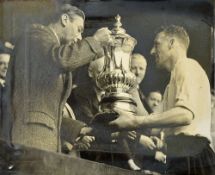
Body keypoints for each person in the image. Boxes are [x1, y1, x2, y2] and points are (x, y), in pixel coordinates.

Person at [3, 4, 112, 153]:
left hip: (40, 137)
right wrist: (95, 41)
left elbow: (48, 113)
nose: (80, 37)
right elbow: (63, 59)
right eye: (79, 29)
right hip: (30, 137)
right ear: (65, 19)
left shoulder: (49, 51)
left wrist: (78, 130)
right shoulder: (36, 36)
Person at [110, 25, 215, 175]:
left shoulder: (186, 65)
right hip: (180, 156)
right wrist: (133, 89)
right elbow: (151, 125)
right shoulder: (170, 84)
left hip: (193, 155)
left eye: (157, 44)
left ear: (172, 43)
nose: (152, 51)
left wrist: (134, 121)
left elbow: (185, 115)